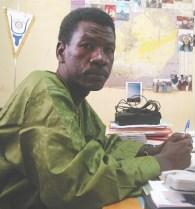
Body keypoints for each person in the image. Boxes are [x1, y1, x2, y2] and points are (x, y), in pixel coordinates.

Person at [0, 7, 192, 209]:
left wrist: (152, 150)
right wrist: (162, 162)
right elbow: (72, 188)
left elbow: (104, 145)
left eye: (109, 49)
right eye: (87, 45)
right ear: (61, 51)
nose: (101, 58)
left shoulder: (75, 100)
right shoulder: (44, 90)